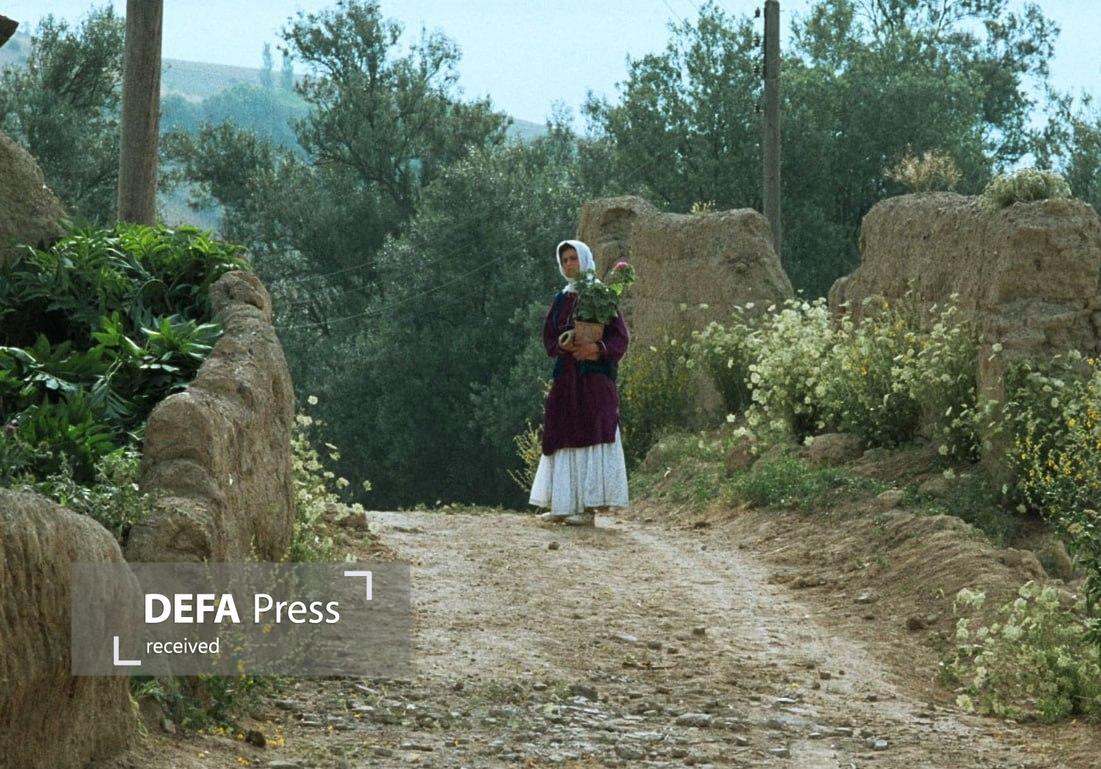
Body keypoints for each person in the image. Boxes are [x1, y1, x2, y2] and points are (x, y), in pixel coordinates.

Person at [528, 239, 630, 526]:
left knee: (592, 432)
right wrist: (566, 344)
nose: (569, 264)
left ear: (584, 260)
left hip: (594, 380)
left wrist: (595, 349)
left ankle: (587, 509)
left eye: (573, 258)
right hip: (566, 378)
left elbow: (619, 338)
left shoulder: (600, 294)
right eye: (565, 261)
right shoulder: (561, 299)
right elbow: (549, 337)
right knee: (562, 433)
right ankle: (562, 504)